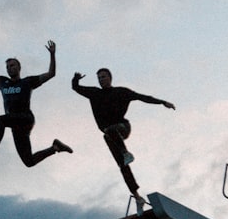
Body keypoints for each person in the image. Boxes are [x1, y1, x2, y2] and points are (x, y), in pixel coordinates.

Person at [72, 68, 175, 210]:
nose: (101, 80)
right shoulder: (94, 93)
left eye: (103, 77)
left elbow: (142, 97)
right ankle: (138, 197)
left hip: (123, 128)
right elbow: (75, 88)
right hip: (110, 135)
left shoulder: (121, 92)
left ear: (110, 78)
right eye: (99, 78)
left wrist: (162, 102)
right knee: (122, 165)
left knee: (110, 130)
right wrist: (76, 78)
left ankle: (126, 153)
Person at [0, 40, 73, 167]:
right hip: (15, 126)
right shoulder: (2, 82)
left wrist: (52, 55)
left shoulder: (28, 82)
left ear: (19, 68)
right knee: (29, 161)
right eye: (8, 67)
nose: (10, 68)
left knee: (1, 120)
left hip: (25, 118)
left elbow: (51, 74)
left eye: (12, 65)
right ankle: (55, 147)